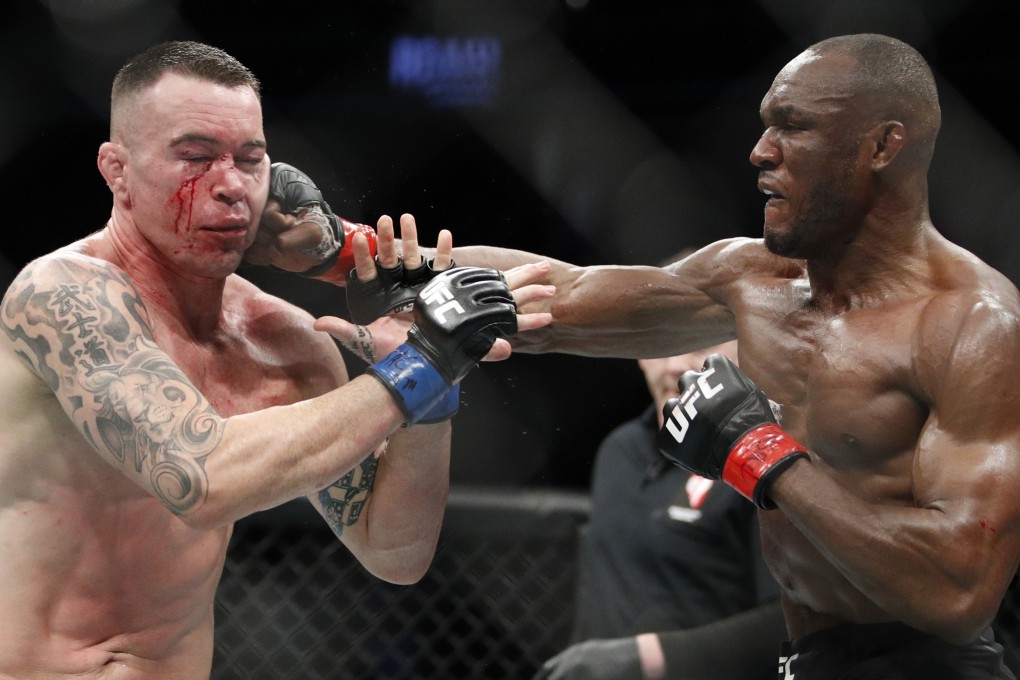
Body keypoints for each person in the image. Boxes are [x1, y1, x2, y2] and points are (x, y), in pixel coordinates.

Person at [292, 33, 1020, 678]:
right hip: (806, 659)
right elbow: (566, 295)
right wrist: (356, 252)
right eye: (765, 124)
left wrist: (763, 456)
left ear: (883, 146)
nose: (759, 151)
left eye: (793, 128)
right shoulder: (751, 277)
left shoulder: (974, 326)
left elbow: (956, 593)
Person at [0, 40, 554, 679]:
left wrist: (433, 386)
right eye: (195, 157)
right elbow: (202, 478)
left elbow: (395, 551)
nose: (232, 186)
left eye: (251, 158)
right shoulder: (62, 298)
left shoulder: (285, 343)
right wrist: (421, 365)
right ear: (116, 169)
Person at [533, 339, 785, 680]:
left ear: (744, 346)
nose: (675, 367)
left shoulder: (765, 460)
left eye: (701, 346)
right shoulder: (619, 450)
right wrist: (590, 662)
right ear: (639, 355)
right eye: (663, 346)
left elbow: (796, 621)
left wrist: (646, 659)